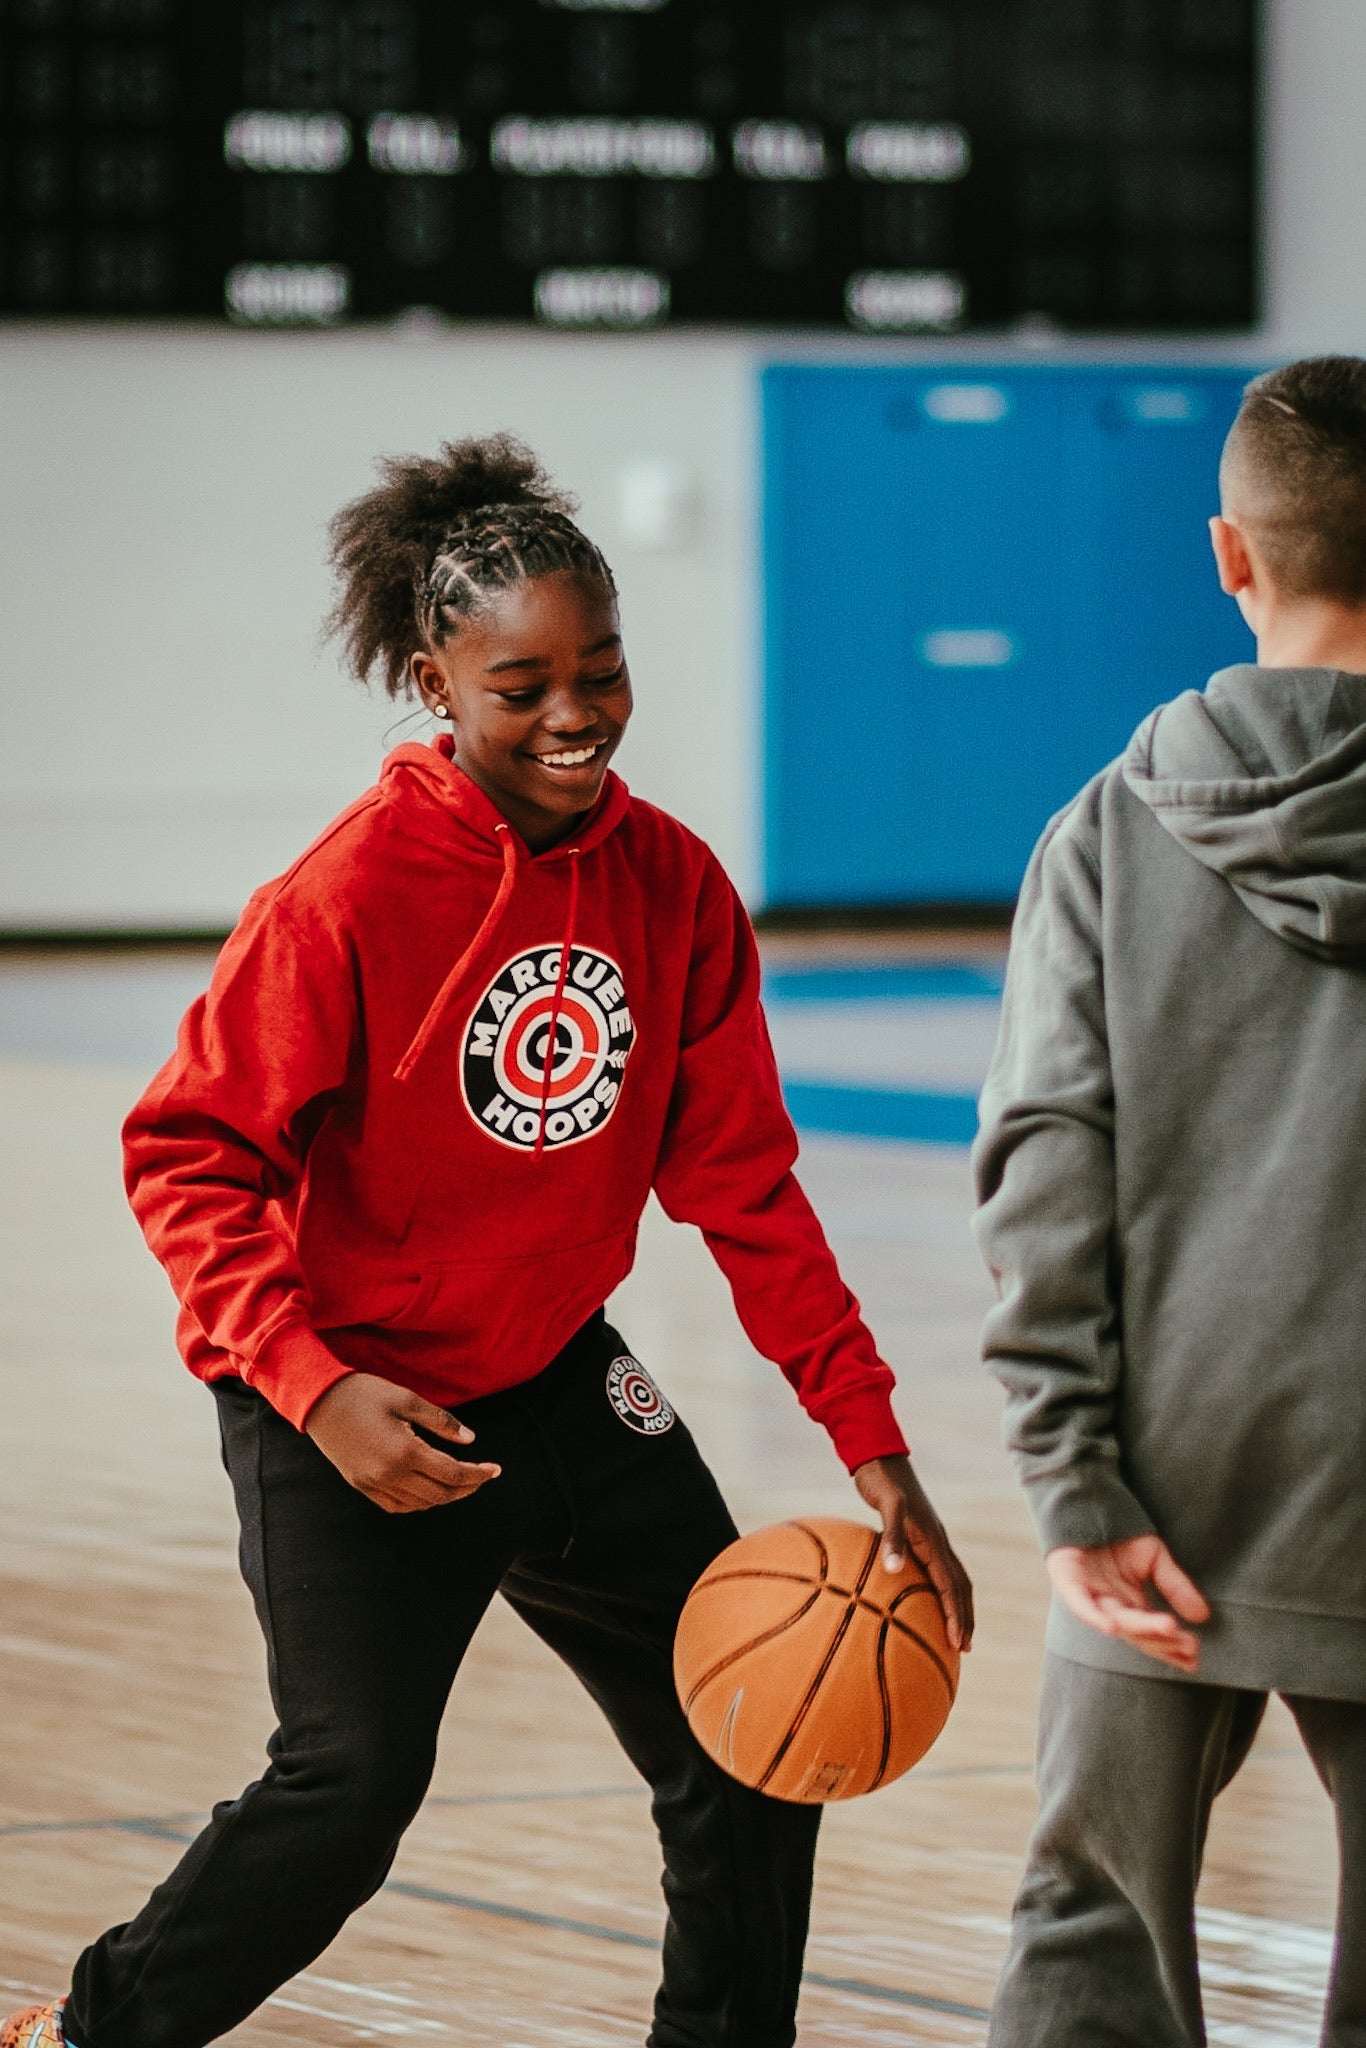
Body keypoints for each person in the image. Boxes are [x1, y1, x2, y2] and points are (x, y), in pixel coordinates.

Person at [1, 434, 972, 2048]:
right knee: (350, 1787)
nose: (575, 712)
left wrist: (872, 1447)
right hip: (352, 1397)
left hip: (555, 1371)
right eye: (522, 686)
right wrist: (313, 1391)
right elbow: (185, 1157)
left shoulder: (672, 888)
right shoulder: (344, 897)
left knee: (752, 1736)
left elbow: (746, 1187)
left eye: (600, 669)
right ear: (430, 677)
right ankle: (90, 2035)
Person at [973, 355, 1366, 2047]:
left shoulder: (1105, 836)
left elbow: (1044, 1163)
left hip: (1166, 1497)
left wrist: (1069, 1480)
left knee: (1091, 1940)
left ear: (1229, 556)